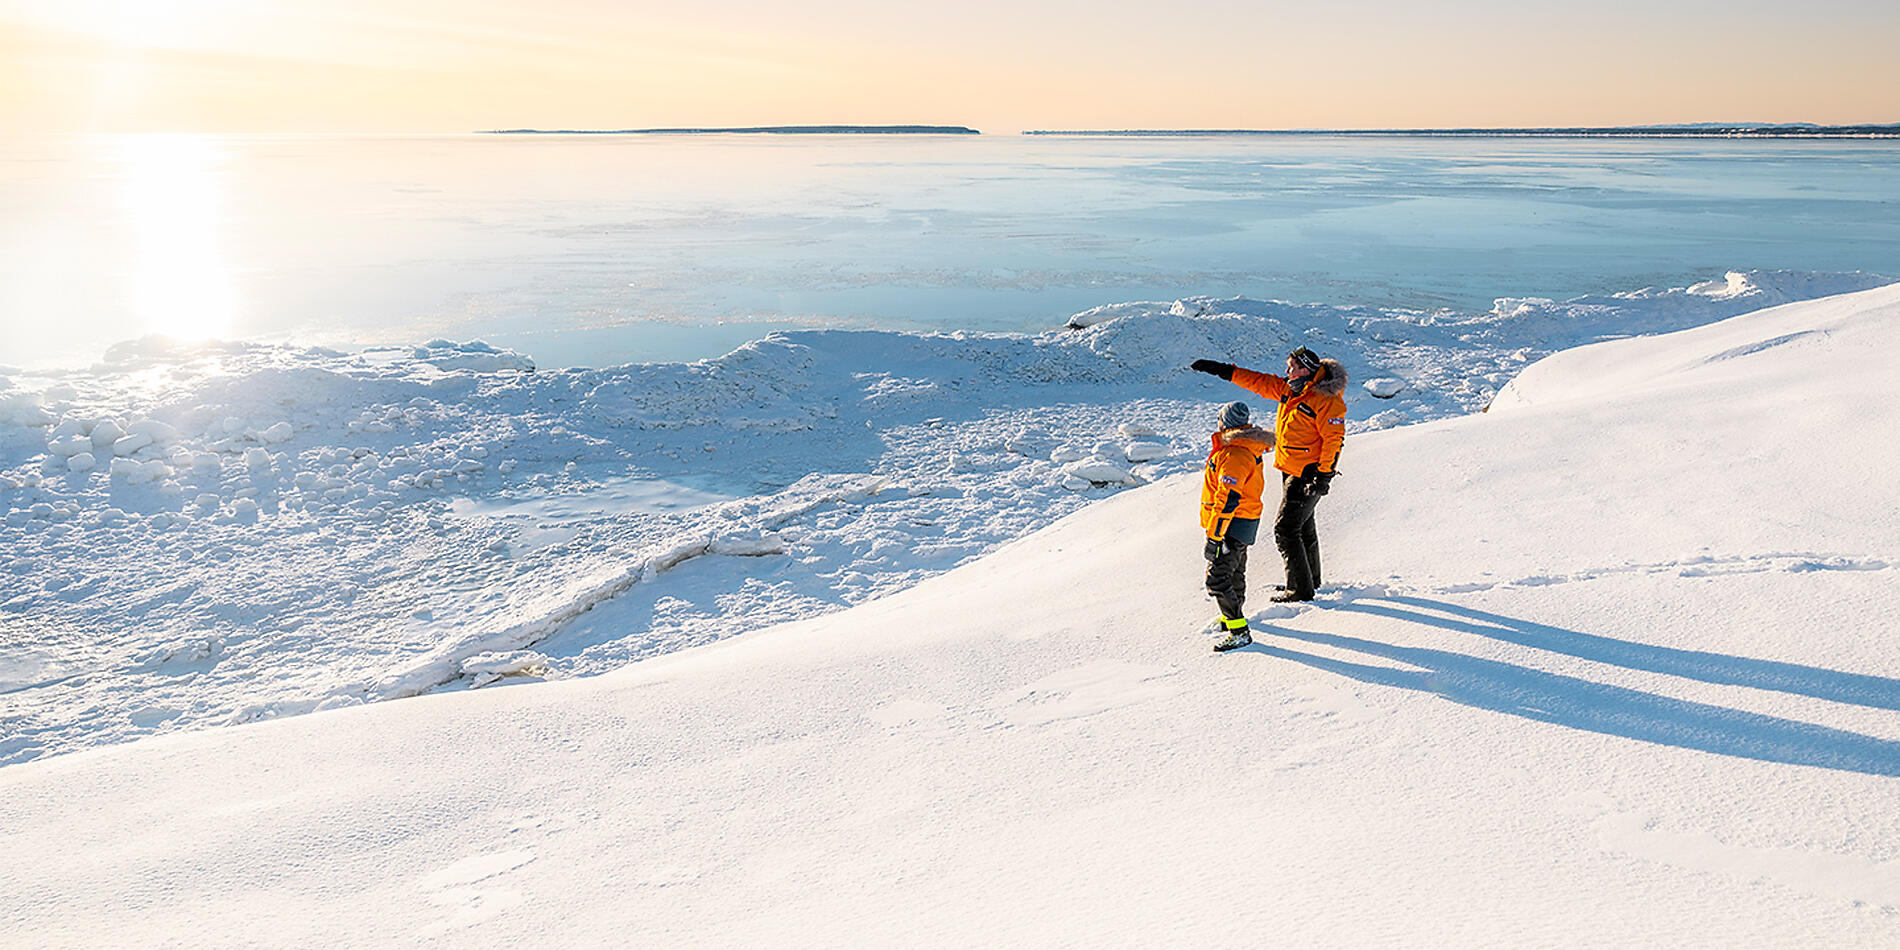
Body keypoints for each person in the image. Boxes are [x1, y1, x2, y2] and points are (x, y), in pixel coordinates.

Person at [1191, 347, 1347, 603]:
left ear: (1306, 369)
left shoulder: (1326, 400)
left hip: (1308, 473)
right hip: (1290, 468)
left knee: (1285, 530)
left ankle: (1299, 591)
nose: (1287, 372)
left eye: (1291, 367)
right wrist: (1222, 370)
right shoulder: (1291, 389)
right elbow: (1257, 381)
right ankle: (1309, 580)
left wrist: (1324, 475)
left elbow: (1334, 439)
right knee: (1303, 526)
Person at [1200, 401, 1273, 652]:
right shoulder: (1244, 447)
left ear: (1225, 423)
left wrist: (1214, 537)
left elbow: (1228, 498)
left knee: (1217, 579)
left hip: (1230, 524)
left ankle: (1239, 631)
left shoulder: (1235, 453)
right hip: (1243, 521)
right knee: (1234, 572)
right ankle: (1230, 618)